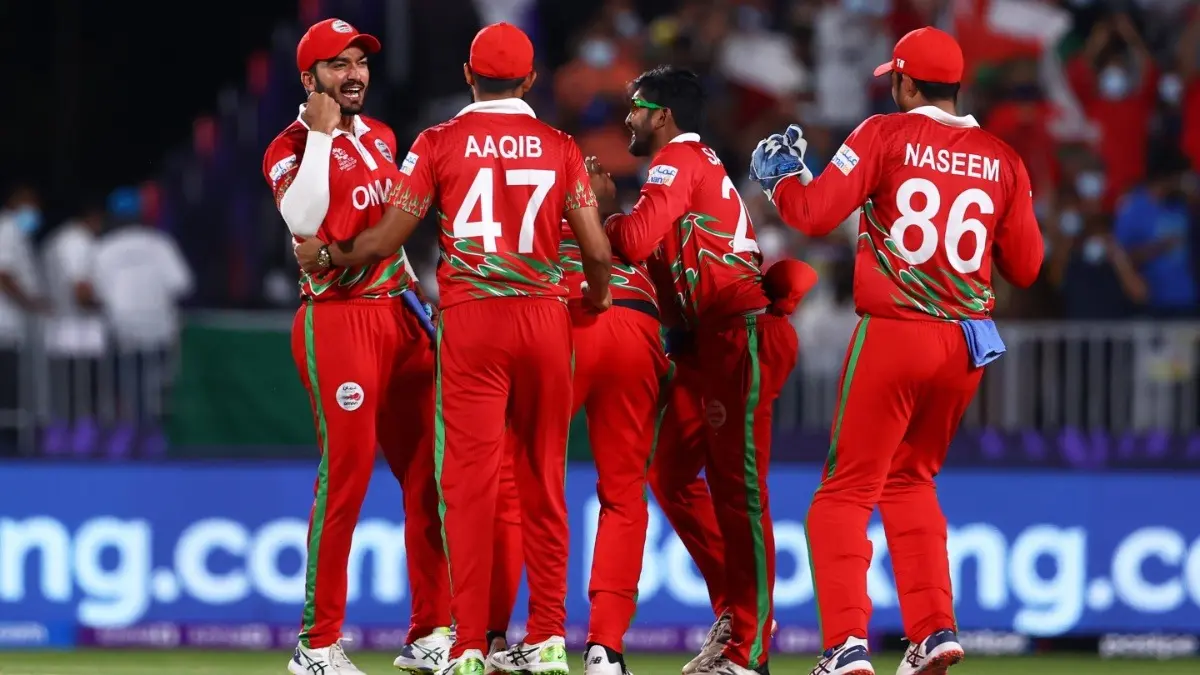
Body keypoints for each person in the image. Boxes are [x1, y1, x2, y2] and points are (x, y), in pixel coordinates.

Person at [295, 22, 613, 675]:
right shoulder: (560, 145)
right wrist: (598, 297)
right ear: (530, 81)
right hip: (545, 320)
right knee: (544, 481)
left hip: (472, 323)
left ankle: (468, 643)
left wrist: (329, 253)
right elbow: (597, 247)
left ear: (469, 76)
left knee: (465, 485)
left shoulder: (436, 142)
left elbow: (386, 239)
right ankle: (549, 637)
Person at [753, 27, 1044, 675]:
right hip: (966, 343)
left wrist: (780, 180)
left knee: (843, 493)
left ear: (906, 84)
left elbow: (814, 215)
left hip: (896, 330)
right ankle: (934, 630)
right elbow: (1026, 265)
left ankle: (846, 644)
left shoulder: (884, 134)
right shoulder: (1002, 158)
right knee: (912, 480)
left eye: (896, 79)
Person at [589, 65, 800, 675]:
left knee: (740, 496)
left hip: (741, 334)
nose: (626, 117)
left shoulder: (675, 160)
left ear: (662, 115)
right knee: (672, 474)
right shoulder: (687, 165)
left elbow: (632, 241)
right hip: (707, 342)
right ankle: (737, 613)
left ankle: (750, 652)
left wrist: (599, 215)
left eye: (635, 107)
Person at [261, 18, 450, 675]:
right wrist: (317, 136)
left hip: (401, 311)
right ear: (309, 78)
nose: (355, 74)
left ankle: (432, 631)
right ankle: (316, 645)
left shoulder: (381, 135)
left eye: (360, 62)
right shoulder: (286, 147)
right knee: (346, 477)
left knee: (430, 476)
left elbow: (390, 227)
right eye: (338, 65)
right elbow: (306, 219)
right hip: (339, 321)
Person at [41, 201, 108, 457]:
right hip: (79, 336)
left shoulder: (58, 240)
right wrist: (109, 305)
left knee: (65, 395)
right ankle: (77, 443)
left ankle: (64, 439)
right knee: (80, 395)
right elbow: (80, 291)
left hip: (65, 333)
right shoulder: (77, 243)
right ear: (93, 217)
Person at [0, 185, 46, 456]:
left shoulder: (16, 233)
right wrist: (32, 304)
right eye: (32, 206)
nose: (36, 213)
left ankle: (11, 441)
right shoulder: (7, 230)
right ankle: (7, 446)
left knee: (13, 393)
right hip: (4, 328)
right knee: (7, 395)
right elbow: (4, 275)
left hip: (13, 329)